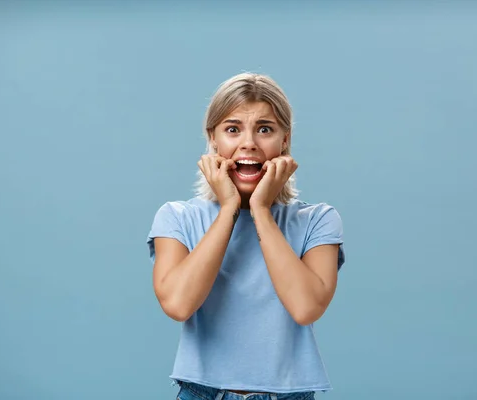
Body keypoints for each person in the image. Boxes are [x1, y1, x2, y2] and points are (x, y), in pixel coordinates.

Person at [146, 72, 345, 400]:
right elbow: (178, 304)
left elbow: (306, 307)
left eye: (264, 129)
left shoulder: (319, 221)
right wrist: (228, 208)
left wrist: (262, 210)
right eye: (233, 129)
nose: (249, 142)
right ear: (213, 139)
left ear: (285, 139)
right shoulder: (177, 217)